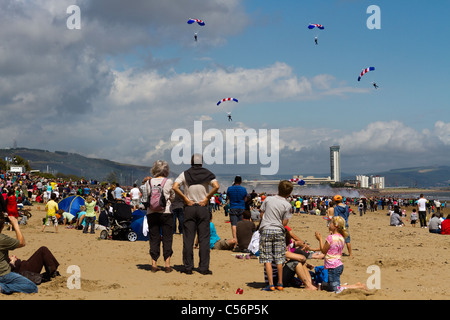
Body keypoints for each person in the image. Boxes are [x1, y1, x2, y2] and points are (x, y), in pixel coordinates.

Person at [173, 154, 219, 275]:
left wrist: (185, 198)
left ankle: (188, 267)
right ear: (202, 163)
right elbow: (216, 186)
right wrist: (207, 198)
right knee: (204, 239)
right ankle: (203, 268)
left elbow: (175, 187)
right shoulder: (208, 174)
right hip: (203, 207)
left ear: (191, 162)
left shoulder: (185, 174)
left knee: (188, 239)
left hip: (189, 207)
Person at [258, 180, 293, 292]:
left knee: (267, 258)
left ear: (278, 189)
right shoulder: (287, 205)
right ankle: (280, 283)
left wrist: (266, 221)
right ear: (289, 193)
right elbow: (285, 222)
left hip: (266, 229)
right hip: (278, 230)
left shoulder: (268, 199)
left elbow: (261, 213)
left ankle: (271, 284)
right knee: (279, 258)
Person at [146, 160, 175, 273]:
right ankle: (167, 264)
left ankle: (154, 263)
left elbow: (147, 196)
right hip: (166, 212)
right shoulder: (168, 182)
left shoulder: (148, 182)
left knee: (154, 238)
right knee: (167, 238)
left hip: (151, 212)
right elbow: (173, 197)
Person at [0, 215, 38, 294]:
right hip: (2, 274)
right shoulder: (2, 239)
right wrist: (15, 225)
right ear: (2, 226)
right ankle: (2, 287)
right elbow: (21, 242)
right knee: (32, 287)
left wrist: (7, 259)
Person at [315, 216, 347, 293]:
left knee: (335, 288)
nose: (329, 224)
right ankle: (338, 285)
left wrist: (320, 239)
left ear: (335, 226)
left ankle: (346, 288)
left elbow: (323, 251)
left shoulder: (330, 238)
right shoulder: (341, 237)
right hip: (338, 264)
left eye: (330, 223)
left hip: (333, 266)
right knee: (332, 283)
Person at [226, 176, 248, 243]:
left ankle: (235, 239)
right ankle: (241, 239)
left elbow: (228, 197)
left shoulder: (230, 188)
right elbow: (245, 199)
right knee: (241, 224)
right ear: (241, 181)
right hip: (241, 207)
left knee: (234, 224)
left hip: (233, 207)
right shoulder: (243, 189)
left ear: (234, 181)